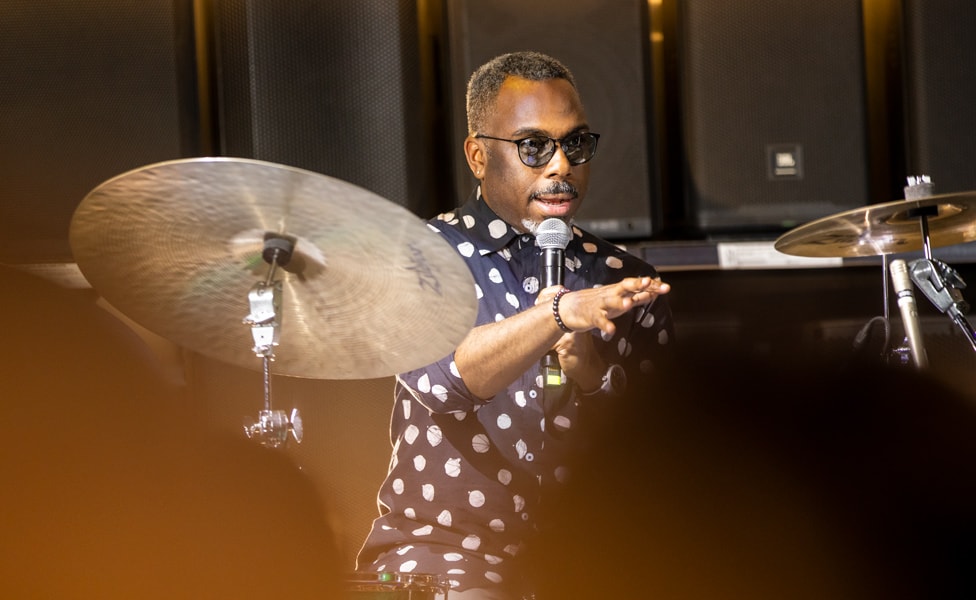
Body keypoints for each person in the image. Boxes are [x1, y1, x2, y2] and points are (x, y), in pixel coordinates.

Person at [356, 51, 674, 599]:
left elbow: (655, 457)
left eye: (574, 144)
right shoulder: (421, 257)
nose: (560, 166)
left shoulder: (623, 279)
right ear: (479, 156)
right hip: (448, 551)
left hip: (589, 554)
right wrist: (555, 316)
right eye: (534, 146)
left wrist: (594, 375)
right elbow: (447, 383)